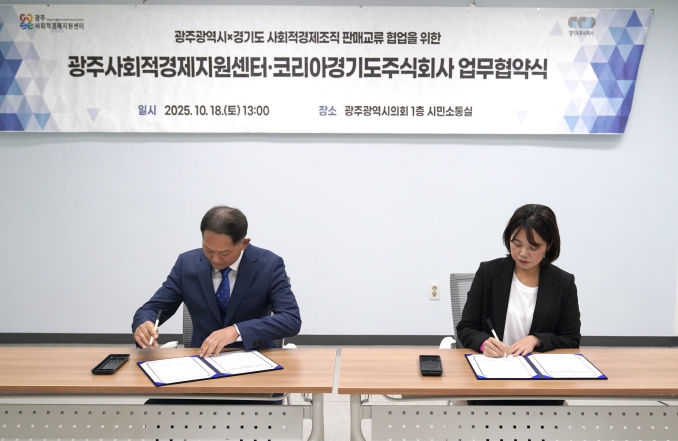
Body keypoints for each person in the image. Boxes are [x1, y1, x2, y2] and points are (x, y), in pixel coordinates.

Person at [132, 206, 302, 357]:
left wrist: (237, 331)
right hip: (202, 357)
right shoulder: (186, 264)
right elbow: (152, 308)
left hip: (255, 356)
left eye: (225, 253)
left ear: (244, 243)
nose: (215, 259)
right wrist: (144, 324)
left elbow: (290, 319)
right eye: (208, 250)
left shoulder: (269, 265)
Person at [456, 204, 581, 358]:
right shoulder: (487, 273)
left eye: (533, 247)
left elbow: (571, 339)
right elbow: (465, 327)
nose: (523, 253)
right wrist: (483, 343)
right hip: (495, 363)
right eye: (517, 244)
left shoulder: (564, 283)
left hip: (537, 367)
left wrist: (536, 339)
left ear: (549, 245)